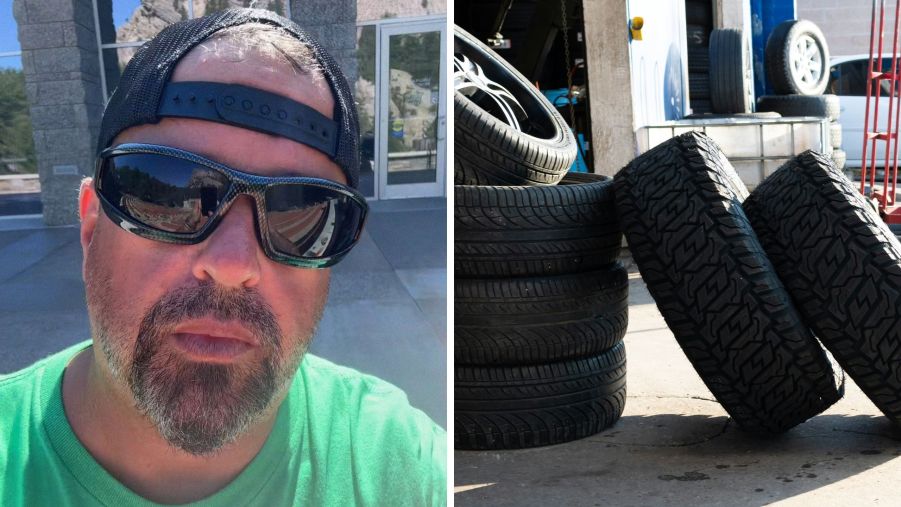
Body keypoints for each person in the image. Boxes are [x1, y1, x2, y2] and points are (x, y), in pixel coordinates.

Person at [0, 8, 446, 506]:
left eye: (300, 212)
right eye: (168, 192)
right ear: (89, 229)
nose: (233, 266)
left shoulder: (403, 466)